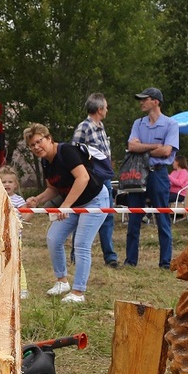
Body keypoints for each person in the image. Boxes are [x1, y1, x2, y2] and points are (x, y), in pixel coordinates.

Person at [24, 123, 109, 304]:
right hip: (73, 204)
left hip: (94, 200)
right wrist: (37, 200)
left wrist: (66, 206)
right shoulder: (46, 161)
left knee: (81, 244)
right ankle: (62, 281)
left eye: (39, 141)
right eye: (32, 145)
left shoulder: (67, 151)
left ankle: (78, 292)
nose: (36, 147)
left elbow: (83, 177)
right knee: (53, 238)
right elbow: (53, 188)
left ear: (49, 138)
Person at [124, 88, 179, 270]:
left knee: (162, 218)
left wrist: (143, 148)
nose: (141, 102)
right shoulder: (138, 123)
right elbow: (131, 145)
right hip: (138, 174)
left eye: (144, 99)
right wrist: (154, 146)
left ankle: (165, 263)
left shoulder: (171, 124)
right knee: (134, 218)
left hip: (158, 174)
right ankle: (130, 261)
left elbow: (166, 151)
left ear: (155, 101)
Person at [71, 92, 118, 268]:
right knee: (82, 216)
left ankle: (110, 257)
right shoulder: (84, 127)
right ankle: (76, 254)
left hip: (105, 178)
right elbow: (74, 152)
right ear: (99, 109)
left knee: (107, 216)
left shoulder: (101, 126)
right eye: (106, 107)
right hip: (91, 180)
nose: (107, 110)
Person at [0, 165, 32, 299]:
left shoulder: (18, 200)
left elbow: (26, 218)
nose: (7, 184)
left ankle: (22, 288)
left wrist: (30, 208)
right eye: (3, 182)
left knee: (17, 262)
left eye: (10, 182)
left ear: (15, 184)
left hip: (14, 237)